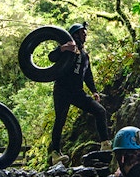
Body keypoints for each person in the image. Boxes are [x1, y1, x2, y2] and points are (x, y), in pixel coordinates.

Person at [46, 23, 110, 161]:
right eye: (82, 33)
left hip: (77, 92)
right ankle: (55, 154)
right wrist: (62, 48)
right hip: (62, 90)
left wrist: (94, 91)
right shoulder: (67, 51)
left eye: (85, 33)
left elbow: (88, 74)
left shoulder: (85, 55)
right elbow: (51, 57)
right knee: (60, 120)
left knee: (100, 111)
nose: (85, 35)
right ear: (75, 34)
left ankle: (105, 144)